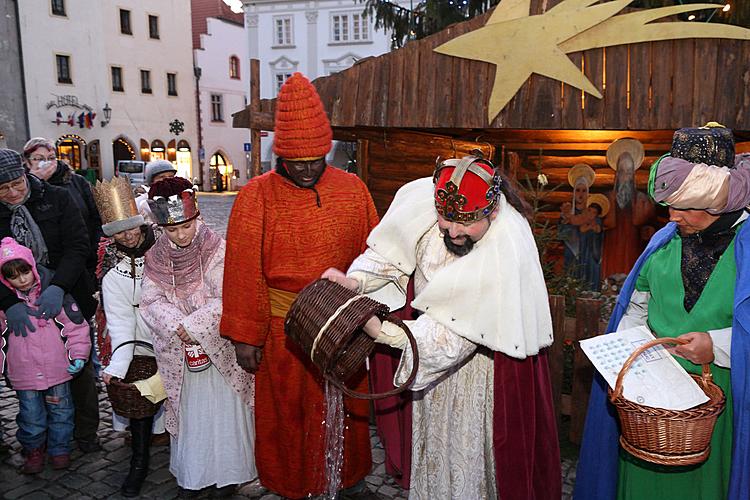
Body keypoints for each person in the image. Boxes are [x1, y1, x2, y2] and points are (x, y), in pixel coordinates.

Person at [324, 155, 561, 499]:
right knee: (434, 457)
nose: (453, 231)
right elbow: (390, 256)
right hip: (428, 369)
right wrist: (356, 281)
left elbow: (457, 335)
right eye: (446, 220)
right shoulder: (429, 217)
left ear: (492, 212)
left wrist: (384, 332)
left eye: (466, 223)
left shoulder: (505, 247)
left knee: (467, 463)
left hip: (477, 376)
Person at [220, 72, 379, 499]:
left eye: (316, 159)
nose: (308, 169)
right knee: (286, 412)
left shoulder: (353, 190)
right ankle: (290, 485)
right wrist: (244, 336)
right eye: (298, 160)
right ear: (282, 155)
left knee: (345, 405)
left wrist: (369, 316)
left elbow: (375, 258)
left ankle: (350, 480)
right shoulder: (257, 196)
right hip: (282, 330)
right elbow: (242, 269)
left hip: (341, 326)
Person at [575, 125, 750, 500]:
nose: (673, 217)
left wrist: (715, 345)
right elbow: (635, 310)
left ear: (719, 204)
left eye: (685, 207)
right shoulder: (662, 245)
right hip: (651, 403)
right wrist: (626, 357)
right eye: (670, 205)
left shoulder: (747, 249)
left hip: (717, 403)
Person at [141, 177, 256, 498]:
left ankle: (228, 475)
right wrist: (177, 324)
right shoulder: (156, 255)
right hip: (181, 351)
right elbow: (150, 300)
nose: (180, 235)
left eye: (186, 226)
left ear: (196, 216)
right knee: (194, 418)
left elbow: (230, 295)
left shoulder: (217, 248)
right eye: (171, 229)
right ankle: (195, 475)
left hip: (217, 348)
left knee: (222, 414)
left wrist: (196, 324)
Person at [0, 148, 100, 452]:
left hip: (66, 292)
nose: (13, 192)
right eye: (3, 189)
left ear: (25, 174)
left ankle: (84, 433)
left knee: (78, 363)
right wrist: (8, 302)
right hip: (16, 302)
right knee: (27, 367)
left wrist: (57, 286)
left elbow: (78, 245)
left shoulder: (56, 197)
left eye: (17, 183)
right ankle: (38, 436)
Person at [92, 176, 166, 497]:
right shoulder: (110, 263)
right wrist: (117, 365)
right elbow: (120, 320)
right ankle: (139, 463)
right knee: (139, 400)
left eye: (132, 226)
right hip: (137, 344)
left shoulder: (163, 248)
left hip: (170, 337)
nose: (129, 234)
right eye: (120, 230)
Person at [0, 237, 90, 473]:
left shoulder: (53, 296)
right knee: (31, 417)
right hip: (24, 373)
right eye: (13, 276)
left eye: (25, 272)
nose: (21, 280)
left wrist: (78, 355)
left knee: (61, 411)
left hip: (57, 370)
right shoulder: (5, 307)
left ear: (32, 267)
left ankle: (60, 448)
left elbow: (76, 327)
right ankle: (33, 449)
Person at [22, 138, 103, 281]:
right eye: (38, 159)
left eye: (51, 158)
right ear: (28, 162)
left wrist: (95, 249)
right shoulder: (23, 187)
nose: (46, 162)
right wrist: (35, 181)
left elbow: (97, 217)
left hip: (85, 257)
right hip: (46, 265)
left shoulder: (77, 181)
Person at [601, 138, 656, 278]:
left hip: (632, 245)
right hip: (612, 245)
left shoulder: (641, 199)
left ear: (633, 174)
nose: (626, 176)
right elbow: (603, 223)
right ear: (617, 173)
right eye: (622, 171)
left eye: (629, 172)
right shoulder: (607, 198)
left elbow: (648, 223)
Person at [559, 163, 603, 290]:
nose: (581, 194)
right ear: (574, 192)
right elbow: (561, 235)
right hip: (573, 254)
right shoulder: (567, 214)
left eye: (584, 191)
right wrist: (568, 226)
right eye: (578, 190)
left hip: (589, 255)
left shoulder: (595, 216)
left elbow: (600, 235)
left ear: (588, 193)